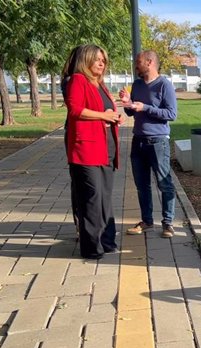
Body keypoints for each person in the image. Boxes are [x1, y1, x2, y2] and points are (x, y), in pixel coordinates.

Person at [65, 44, 125, 259]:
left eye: (104, 60)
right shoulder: (78, 80)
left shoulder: (100, 84)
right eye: (98, 59)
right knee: (92, 197)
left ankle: (107, 242)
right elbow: (75, 110)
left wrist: (115, 117)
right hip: (86, 150)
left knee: (105, 197)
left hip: (105, 148)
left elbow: (106, 112)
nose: (102, 63)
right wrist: (104, 116)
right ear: (86, 60)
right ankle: (91, 247)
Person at [119, 50, 178, 238]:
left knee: (164, 183)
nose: (136, 65)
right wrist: (127, 103)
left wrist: (145, 107)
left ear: (150, 62)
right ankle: (147, 221)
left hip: (158, 142)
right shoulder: (136, 84)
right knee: (142, 185)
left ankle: (168, 223)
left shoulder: (164, 85)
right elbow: (132, 113)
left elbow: (171, 114)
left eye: (138, 62)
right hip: (138, 141)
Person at [61, 45, 85, 239]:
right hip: (76, 134)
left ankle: (85, 223)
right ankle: (81, 224)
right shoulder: (73, 80)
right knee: (78, 180)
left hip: (83, 134)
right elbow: (77, 109)